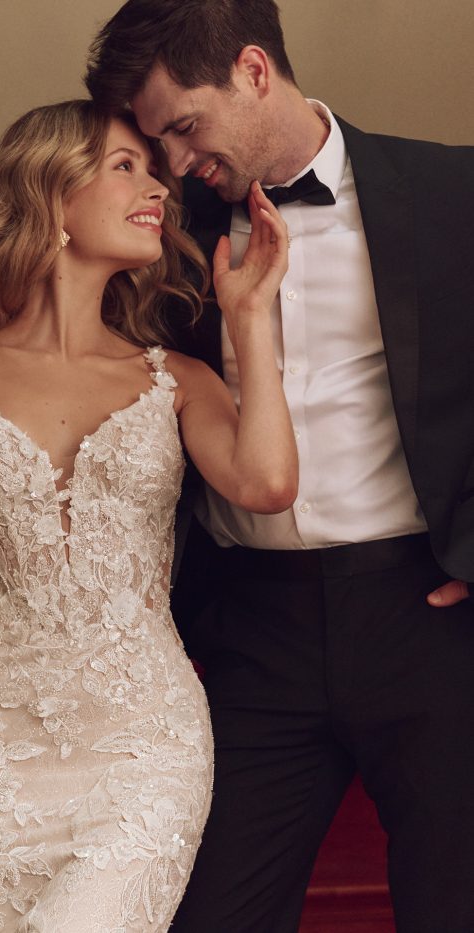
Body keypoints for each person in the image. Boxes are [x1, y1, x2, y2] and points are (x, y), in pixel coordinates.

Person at [0, 99, 297, 932]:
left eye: (153, 169)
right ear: (52, 196)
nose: (157, 185)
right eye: (127, 165)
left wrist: (250, 317)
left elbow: (266, 482)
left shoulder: (177, 380)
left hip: (142, 748)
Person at [81, 3, 474, 932]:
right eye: (155, 140)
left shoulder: (453, 193)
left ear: (255, 71)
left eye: (184, 127)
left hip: (425, 618)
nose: (174, 163)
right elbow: (61, 373)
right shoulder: (165, 228)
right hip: (251, 626)